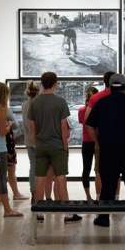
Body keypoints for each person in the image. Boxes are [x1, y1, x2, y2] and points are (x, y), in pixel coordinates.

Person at [86, 73, 125, 229]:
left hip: (108, 150)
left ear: (109, 84)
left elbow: (89, 126)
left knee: (107, 186)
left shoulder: (101, 103)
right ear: (124, 86)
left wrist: (98, 142)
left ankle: (103, 218)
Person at [28, 71, 82, 224]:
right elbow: (63, 125)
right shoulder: (60, 101)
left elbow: (32, 125)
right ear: (55, 84)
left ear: (43, 83)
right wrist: (65, 144)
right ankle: (67, 214)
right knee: (61, 178)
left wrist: (35, 141)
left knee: (40, 178)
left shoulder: (35, 103)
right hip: (57, 145)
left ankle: (39, 213)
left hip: (41, 145)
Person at [0, 82, 24, 218]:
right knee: (3, 177)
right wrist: (8, 126)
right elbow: (2, 132)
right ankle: (8, 210)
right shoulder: (1, 109)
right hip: (0, 147)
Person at [84, 71, 114, 198]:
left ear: (104, 81)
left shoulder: (95, 98)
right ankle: (115, 198)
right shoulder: (121, 97)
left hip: (100, 139)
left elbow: (87, 121)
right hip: (115, 140)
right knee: (115, 171)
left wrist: (96, 140)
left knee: (98, 171)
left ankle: (99, 197)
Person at [78, 86, 99, 200]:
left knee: (86, 169)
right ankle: (99, 196)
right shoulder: (100, 109)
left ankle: (88, 196)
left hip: (86, 142)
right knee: (99, 171)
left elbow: (83, 123)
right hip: (98, 141)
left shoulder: (82, 110)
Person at [21, 81, 39, 201]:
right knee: (43, 168)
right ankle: (41, 194)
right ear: (37, 91)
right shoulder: (37, 104)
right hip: (38, 140)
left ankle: (34, 193)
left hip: (28, 140)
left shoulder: (24, 104)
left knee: (32, 166)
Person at [5, 105, 27, 200]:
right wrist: (10, 124)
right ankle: (16, 193)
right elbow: (15, 125)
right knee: (11, 168)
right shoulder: (4, 108)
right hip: (6, 141)